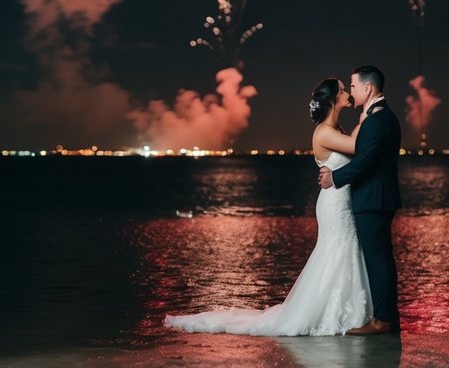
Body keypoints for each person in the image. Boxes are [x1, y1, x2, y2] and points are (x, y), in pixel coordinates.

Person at [164, 77, 373, 336]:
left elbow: (349, 153)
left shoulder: (336, 129)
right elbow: (355, 147)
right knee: (337, 250)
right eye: (342, 90)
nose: (346, 93)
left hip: (341, 199)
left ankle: (347, 309)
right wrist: (365, 118)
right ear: (332, 100)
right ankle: (332, 312)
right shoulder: (324, 132)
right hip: (334, 202)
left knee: (344, 250)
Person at [318, 64, 402, 335]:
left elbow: (364, 161)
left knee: (378, 261)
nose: (351, 92)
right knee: (381, 260)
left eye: (352, 87)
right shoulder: (379, 116)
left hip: (372, 200)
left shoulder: (377, 119)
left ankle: (382, 320)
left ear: (368, 88)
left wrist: (335, 178)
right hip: (375, 199)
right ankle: (386, 314)